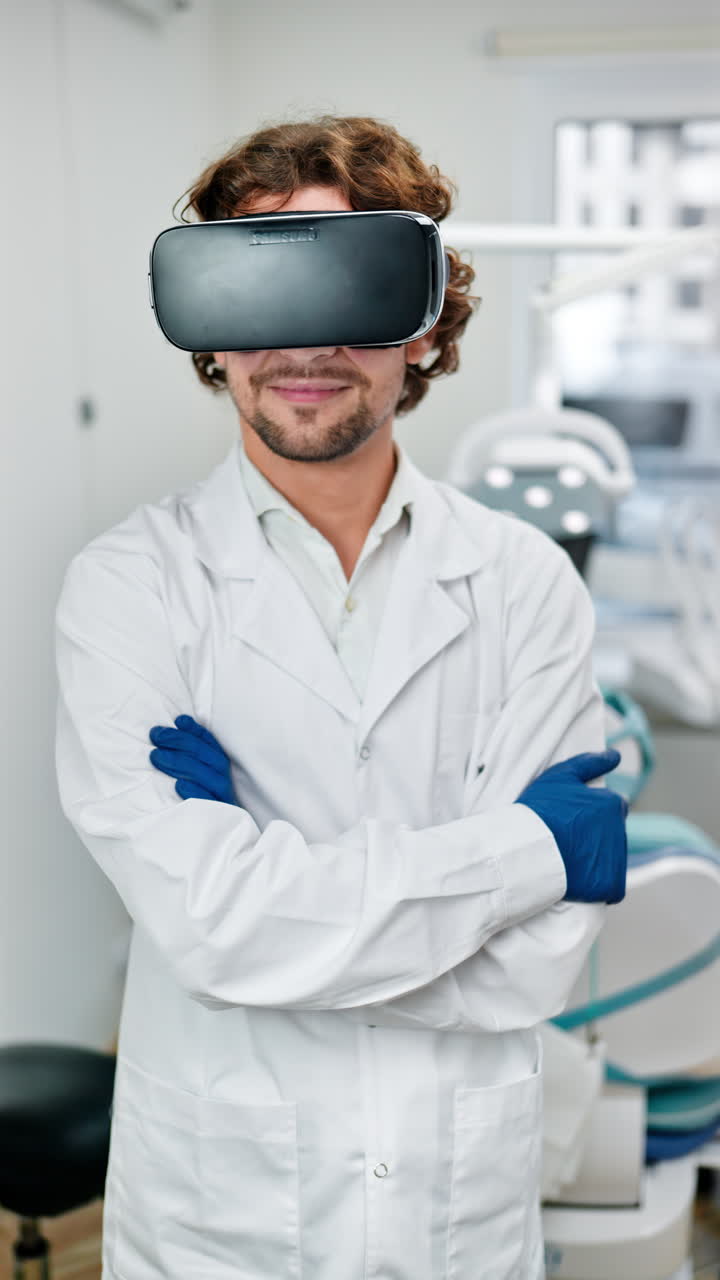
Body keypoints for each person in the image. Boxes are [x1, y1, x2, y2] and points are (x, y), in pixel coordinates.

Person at [54, 116, 627, 1280]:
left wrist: (276, 902)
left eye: (354, 288)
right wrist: (524, 855)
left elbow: (534, 967)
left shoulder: (526, 584)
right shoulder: (128, 588)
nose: (306, 344)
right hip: (223, 1221)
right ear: (212, 339)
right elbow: (211, 928)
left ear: (424, 327)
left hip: (456, 1212)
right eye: (261, 293)